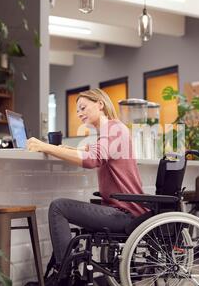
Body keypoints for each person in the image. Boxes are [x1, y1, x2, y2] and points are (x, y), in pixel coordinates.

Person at [27, 88, 148, 270]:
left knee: (58, 207)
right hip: (122, 210)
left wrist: (45, 146)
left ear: (100, 104)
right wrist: (64, 149)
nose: (79, 113)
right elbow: (90, 151)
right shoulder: (112, 129)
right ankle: (67, 273)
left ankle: (65, 276)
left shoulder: (113, 128)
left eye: (83, 107)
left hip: (124, 213)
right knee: (62, 207)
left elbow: (93, 159)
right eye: (77, 110)